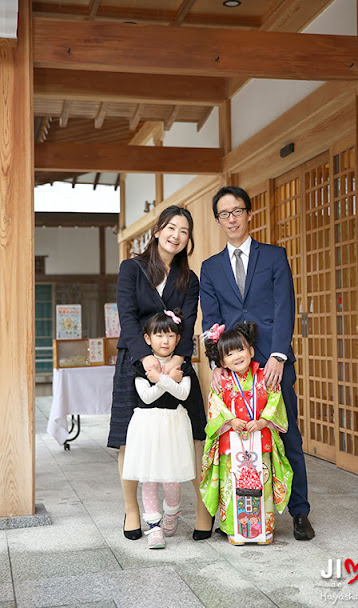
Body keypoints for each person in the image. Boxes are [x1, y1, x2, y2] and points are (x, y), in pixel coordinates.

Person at [200, 186, 315, 540]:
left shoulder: (275, 256)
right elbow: (212, 320)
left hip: (271, 363)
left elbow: (285, 307)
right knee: (233, 444)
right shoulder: (210, 267)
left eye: (237, 211)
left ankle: (299, 513)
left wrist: (278, 355)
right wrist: (217, 364)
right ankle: (235, 515)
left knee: (286, 436)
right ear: (218, 220)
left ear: (249, 214)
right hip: (233, 366)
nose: (231, 219)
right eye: (224, 214)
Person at [107, 205, 211, 542]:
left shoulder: (189, 279)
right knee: (128, 435)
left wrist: (178, 360)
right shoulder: (132, 269)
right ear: (157, 230)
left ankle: (203, 510)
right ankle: (132, 510)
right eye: (171, 228)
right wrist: (146, 358)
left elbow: (191, 321)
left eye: (184, 231)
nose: (176, 236)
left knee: (195, 432)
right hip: (135, 360)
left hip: (177, 362)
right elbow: (127, 314)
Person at [200, 322, 293, 545]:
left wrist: (263, 421)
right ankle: (235, 530)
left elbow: (275, 399)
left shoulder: (264, 377)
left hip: (260, 440)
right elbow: (215, 405)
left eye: (240, 349)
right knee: (232, 486)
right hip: (232, 443)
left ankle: (264, 530)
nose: (236, 356)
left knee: (264, 484)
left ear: (251, 351)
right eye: (229, 354)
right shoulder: (221, 382)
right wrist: (230, 420)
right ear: (221, 362)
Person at [122, 309, 195, 549]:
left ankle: (171, 514)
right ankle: (154, 526)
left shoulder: (183, 364)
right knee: (149, 478)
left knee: (172, 478)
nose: (165, 341)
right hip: (147, 425)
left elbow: (183, 393)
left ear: (178, 338)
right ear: (147, 339)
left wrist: (162, 379)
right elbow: (147, 396)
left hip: (174, 424)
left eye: (171, 336)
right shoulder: (142, 365)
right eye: (160, 336)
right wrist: (166, 379)